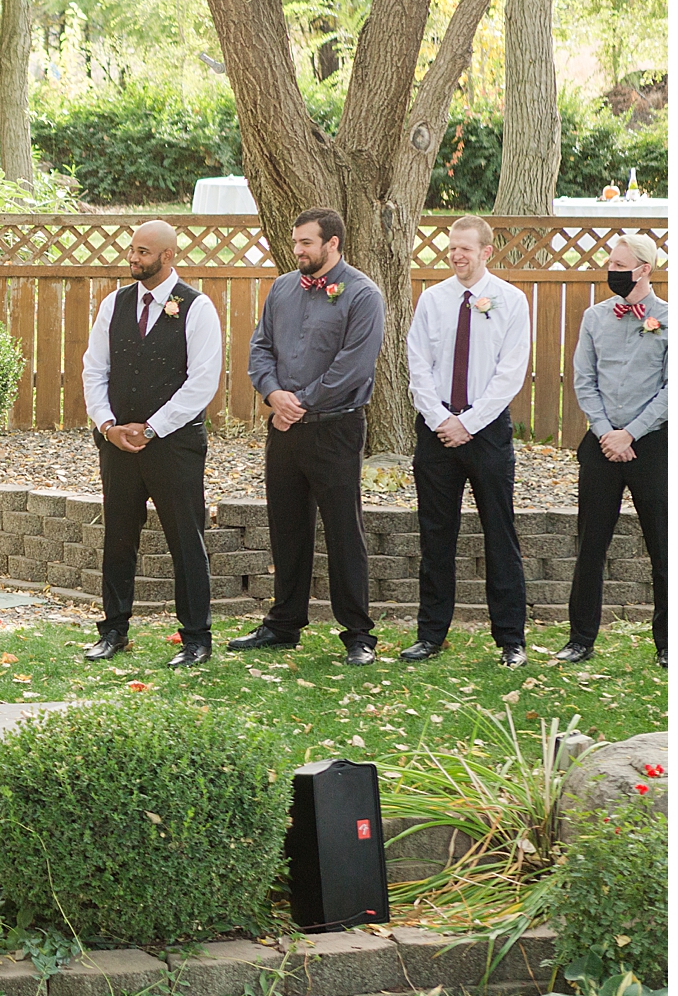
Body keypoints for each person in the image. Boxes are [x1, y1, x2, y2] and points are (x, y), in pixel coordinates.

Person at [231, 207, 386, 666]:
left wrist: (299, 403)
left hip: (336, 428)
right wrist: (275, 394)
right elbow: (260, 347)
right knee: (287, 527)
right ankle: (283, 624)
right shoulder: (282, 288)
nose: (297, 250)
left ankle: (359, 634)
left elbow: (354, 365)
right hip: (283, 430)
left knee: (344, 531)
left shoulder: (362, 295)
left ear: (332, 244)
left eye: (306, 243)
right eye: (295, 242)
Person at [80, 219, 223, 667]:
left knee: (186, 538)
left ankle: (196, 637)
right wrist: (108, 426)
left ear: (168, 257)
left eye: (143, 252)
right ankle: (114, 630)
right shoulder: (114, 304)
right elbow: (93, 370)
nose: (133, 258)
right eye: (132, 250)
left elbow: (202, 383)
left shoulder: (197, 308)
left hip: (174, 446)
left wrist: (153, 427)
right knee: (119, 537)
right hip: (118, 444)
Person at [401, 216, 531, 667]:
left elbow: (510, 373)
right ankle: (430, 635)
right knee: (436, 535)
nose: (457, 256)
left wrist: (469, 423)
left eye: (466, 249)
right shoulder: (433, 300)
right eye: (452, 248)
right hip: (436, 430)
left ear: (486, 252)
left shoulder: (512, 301)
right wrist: (441, 419)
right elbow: (417, 364)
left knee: (500, 532)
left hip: (487, 430)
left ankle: (511, 639)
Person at [558, 233, 667, 668]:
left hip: (653, 446)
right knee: (590, 544)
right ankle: (580, 638)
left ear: (644, 269)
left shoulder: (668, 317)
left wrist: (632, 433)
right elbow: (583, 377)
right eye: (610, 263)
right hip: (601, 445)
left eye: (620, 264)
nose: (612, 270)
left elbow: (668, 389)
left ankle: (667, 643)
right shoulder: (594, 317)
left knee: (663, 545)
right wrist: (606, 432)